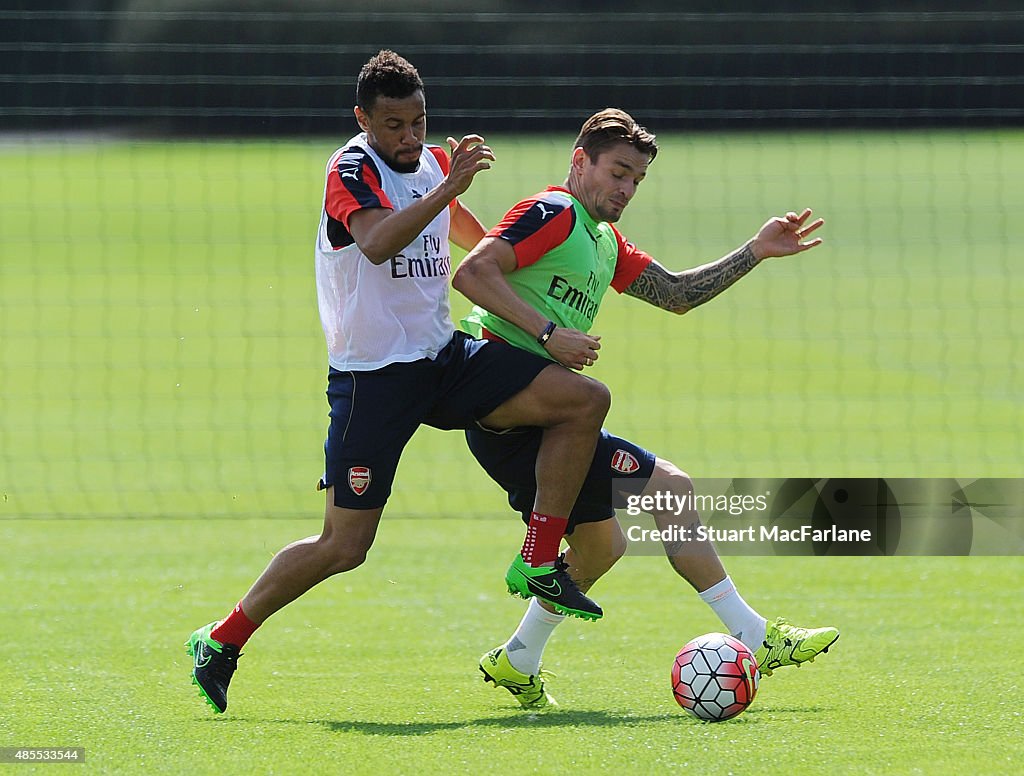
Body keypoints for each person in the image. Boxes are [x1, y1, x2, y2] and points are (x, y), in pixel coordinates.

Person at [184, 51, 614, 715]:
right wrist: (449, 189)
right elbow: (378, 242)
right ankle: (222, 639)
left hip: (441, 359)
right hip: (371, 381)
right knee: (344, 546)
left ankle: (536, 557)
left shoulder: (436, 166)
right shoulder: (350, 169)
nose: (410, 137)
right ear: (363, 119)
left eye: (418, 121)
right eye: (393, 125)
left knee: (581, 400)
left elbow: (473, 245)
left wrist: (536, 259)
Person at [452, 108, 840, 708]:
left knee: (604, 547)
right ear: (580, 162)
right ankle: (756, 637)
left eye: (637, 179)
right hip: (506, 400)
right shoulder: (553, 212)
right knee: (669, 487)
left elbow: (679, 295)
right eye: (618, 172)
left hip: (550, 418)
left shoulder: (603, 240)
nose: (626, 189)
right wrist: (549, 332)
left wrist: (754, 252)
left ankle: (517, 657)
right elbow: (474, 272)